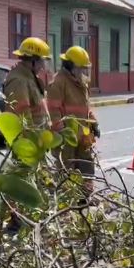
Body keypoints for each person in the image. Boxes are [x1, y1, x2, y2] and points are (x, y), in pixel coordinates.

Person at [47, 46, 100, 201]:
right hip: (67, 137)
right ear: (70, 67)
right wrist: (61, 133)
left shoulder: (80, 83)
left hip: (83, 136)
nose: (83, 73)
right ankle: (66, 201)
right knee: (66, 169)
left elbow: (85, 107)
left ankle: (86, 196)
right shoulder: (58, 82)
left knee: (87, 165)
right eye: (80, 69)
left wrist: (94, 123)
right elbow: (54, 111)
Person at [3, 37, 52, 129]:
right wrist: (32, 139)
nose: (42, 67)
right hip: (30, 140)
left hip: (39, 138)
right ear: (33, 61)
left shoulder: (31, 79)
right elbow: (22, 118)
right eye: (41, 62)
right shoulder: (18, 81)